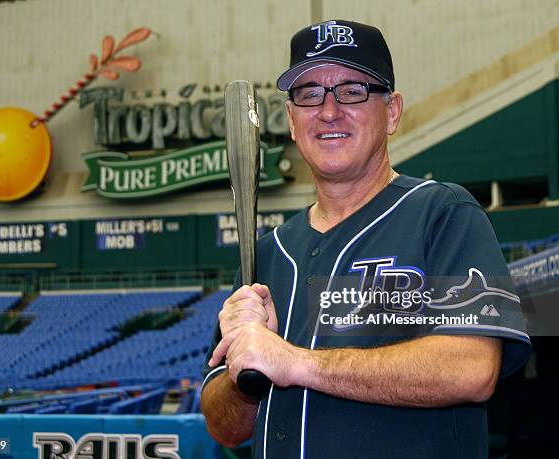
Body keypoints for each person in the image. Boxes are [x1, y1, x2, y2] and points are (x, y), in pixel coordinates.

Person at [201, 19, 531, 458]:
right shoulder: (266, 253)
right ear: (291, 120)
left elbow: (471, 369)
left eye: (353, 91)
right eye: (310, 93)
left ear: (392, 111)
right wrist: (245, 370)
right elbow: (225, 428)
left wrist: (294, 363)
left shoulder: (442, 213)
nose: (329, 111)